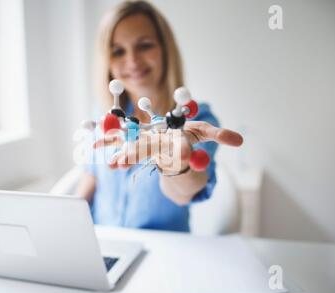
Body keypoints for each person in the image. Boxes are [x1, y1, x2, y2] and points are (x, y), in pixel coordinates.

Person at [75, 0, 243, 232]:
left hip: (162, 254)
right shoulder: (106, 116)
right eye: (118, 51)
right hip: (102, 244)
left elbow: (185, 192)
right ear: (107, 62)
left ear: (165, 49)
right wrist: (68, 223)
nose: (132, 60)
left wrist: (173, 160)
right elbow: (92, 177)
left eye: (144, 45)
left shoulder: (194, 119)